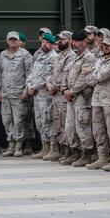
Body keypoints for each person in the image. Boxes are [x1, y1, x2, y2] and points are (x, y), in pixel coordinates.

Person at [85, 34, 110, 171]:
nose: (104, 47)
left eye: (108, 45)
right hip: (97, 100)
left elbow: (99, 77)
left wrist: (93, 77)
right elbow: (88, 79)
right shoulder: (100, 60)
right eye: (103, 45)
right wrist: (93, 77)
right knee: (98, 130)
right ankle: (102, 157)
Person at [60, 30, 96, 167]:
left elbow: (84, 79)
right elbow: (66, 76)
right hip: (71, 97)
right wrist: (64, 90)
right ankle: (75, 152)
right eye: (74, 41)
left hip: (81, 97)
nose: (75, 44)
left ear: (85, 41)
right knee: (70, 127)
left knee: (82, 126)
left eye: (78, 41)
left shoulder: (89, 57)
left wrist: (72, 92)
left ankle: (87, 153)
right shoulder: (74, 57)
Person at [0, 31, 33, 157]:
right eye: (10, 39)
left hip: (18, 94)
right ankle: (10, 145)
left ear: (18, 41)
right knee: (7, 120)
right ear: (7, 41)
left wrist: (25, 91)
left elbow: (30, 74)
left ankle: (18, 146)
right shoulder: (3, 55)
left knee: (18, 121)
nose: (13, 41)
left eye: (15, 39)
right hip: (5, 94)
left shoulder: (25, 54)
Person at [45, 30, 76, 162]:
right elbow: (50, 73)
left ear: (69, 40)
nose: (59, 42)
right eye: (58, 39)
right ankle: (62, 149)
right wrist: (48, 84)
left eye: (62, 39)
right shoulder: (58, 56)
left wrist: (55, 87)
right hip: (54, 95)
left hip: (63, 95)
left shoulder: (71, 56)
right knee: (57, 123)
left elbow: (66, 76)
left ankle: (69, 150)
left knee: (66, 124)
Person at [27, 32, 57, 159]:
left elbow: (48, 76)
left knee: (48, 121)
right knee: (39, 122)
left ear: (51, 44)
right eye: (42, 42)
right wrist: (29, 85)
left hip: (46, 95)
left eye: (46, 43)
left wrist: (34, 87)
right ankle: (44, 147)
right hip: (36, 95)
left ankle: (53, 148)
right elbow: (32, 74)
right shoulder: (39, 56)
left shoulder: (53, 57)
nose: (43, 45)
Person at [18, 32, 36, 155]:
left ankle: (29, 143)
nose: (17, 42)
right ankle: (19, 143)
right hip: (14, 92)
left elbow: (30, 75)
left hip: (25, 92)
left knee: (27, 118)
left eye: (20, 40)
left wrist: (26, 91)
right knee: (17, 119)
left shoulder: (27, 56)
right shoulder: (8, 54)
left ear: (23, 43)